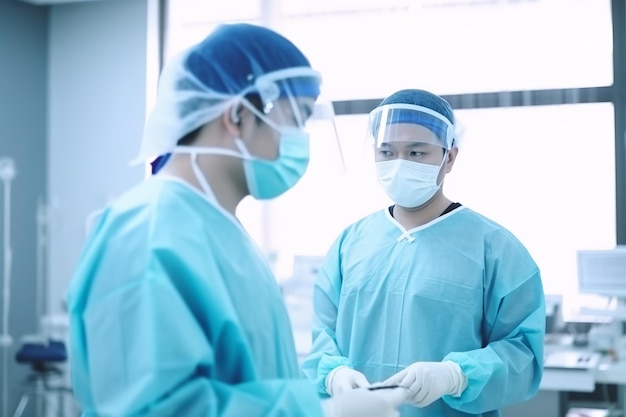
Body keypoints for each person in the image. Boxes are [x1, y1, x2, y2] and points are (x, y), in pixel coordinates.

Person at [66, 23, 406, 417]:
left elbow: (251, 382)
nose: (301, 137)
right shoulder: (149, 231)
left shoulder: (220, 230)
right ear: (238, 116)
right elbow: (152, 408)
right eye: (295, 118)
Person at [301, 88, 546, 417]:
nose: (399, 164)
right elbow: (322, 336)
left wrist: (456, 376)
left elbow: (523, 353)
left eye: (416, 153)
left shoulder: (496, 249)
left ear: (450, 157)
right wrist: (333, 374)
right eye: (387, 152)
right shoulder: (351, 243)